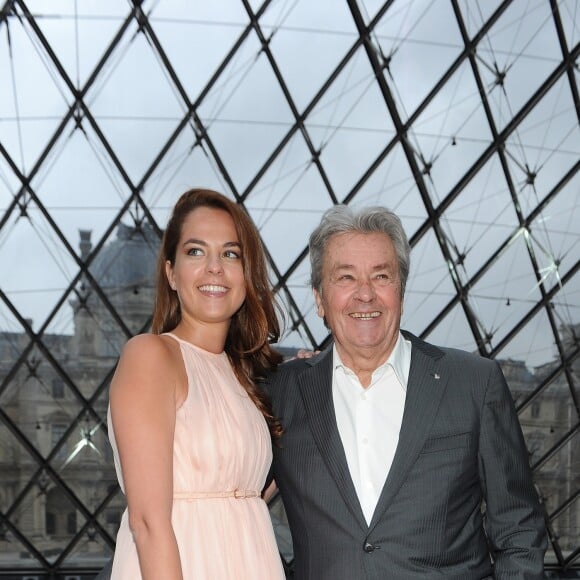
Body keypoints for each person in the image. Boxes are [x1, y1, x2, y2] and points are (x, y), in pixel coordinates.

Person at [265, 205, 547, 579]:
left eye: (381, 276)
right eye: (345, 278)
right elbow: (227, 496)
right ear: (319, 298)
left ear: (401, 289)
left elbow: (519, 529)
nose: (365, 295)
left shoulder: (474, 383)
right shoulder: (280, 392)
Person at [105, 188, 285, 579]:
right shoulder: (150, 356)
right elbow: (148, 523)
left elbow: (243, 493)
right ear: (171, 272)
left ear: (246, 273)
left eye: (231, 253)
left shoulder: (242, 375)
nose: (215, 267)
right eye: (196, 251)